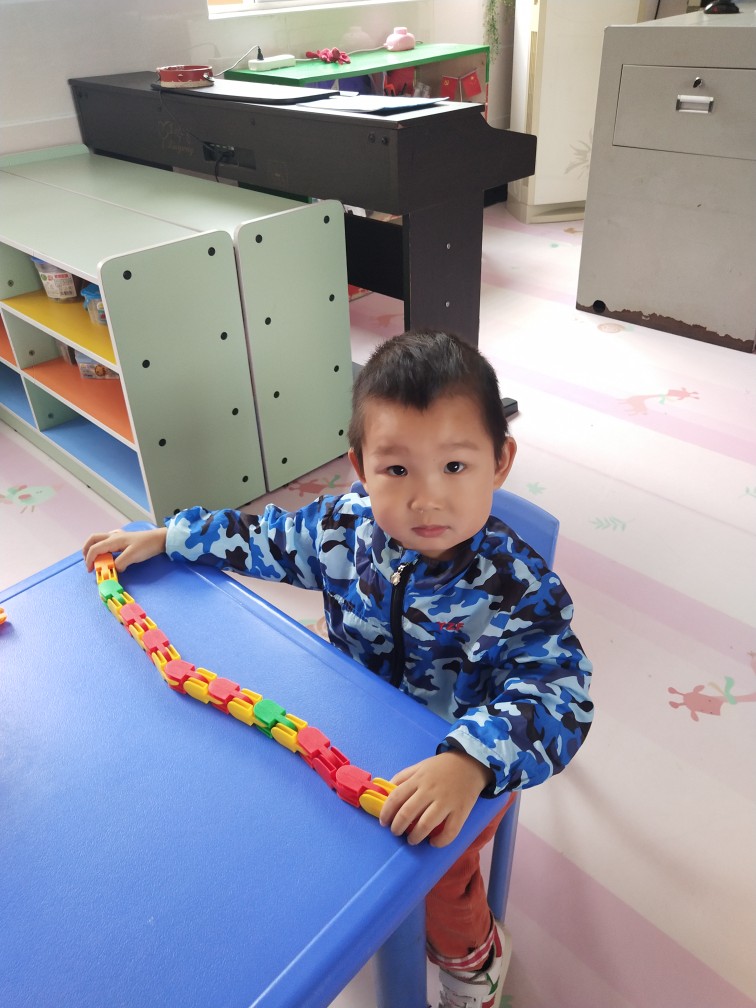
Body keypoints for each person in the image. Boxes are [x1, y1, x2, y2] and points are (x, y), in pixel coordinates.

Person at [84, 329, 593, 1008]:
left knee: (437, 876)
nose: (426, 499)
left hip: (459, 765)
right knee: (276, 807)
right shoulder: (342, 529)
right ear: (360, 466)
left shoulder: (516, 587)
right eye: (397, 470)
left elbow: (561, 691)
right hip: (344, 731)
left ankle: (475, 960)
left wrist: (472, 762)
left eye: (455, 466)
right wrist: (169, 536)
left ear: (500, 462)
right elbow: (262, 537)